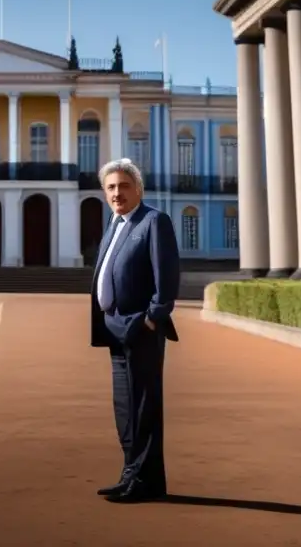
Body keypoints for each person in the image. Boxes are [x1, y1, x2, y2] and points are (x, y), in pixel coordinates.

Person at [89, 158, 180, 503]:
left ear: (138, 189)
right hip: (114, 328)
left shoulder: (154, 221)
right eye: (111, 187)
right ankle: (131, 474)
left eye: (124, 186)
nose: (117, 193)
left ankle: (146, 481)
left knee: (144, 407)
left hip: (140, 327)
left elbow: (166, 275)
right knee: (125, 408)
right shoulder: (114, 224)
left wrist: (153, 318)